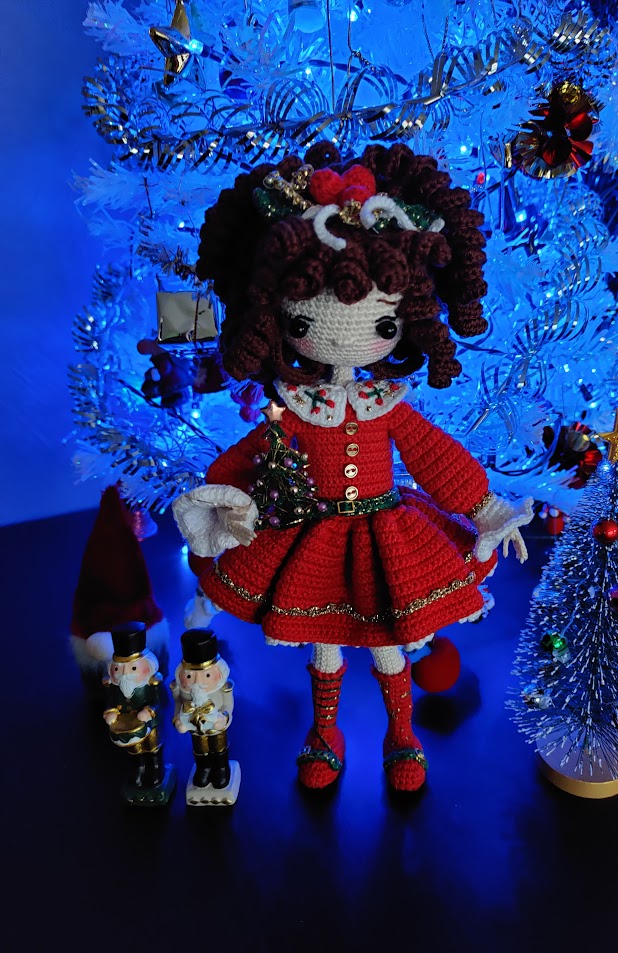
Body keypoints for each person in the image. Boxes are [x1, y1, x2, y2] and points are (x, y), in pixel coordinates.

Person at [173, 142, 533, 793]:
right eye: (308, 319)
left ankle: (402, 735)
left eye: (383, 322)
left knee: (388, 643)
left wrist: (484, 507)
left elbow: (432, 456)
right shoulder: (294, 407)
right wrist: (221, 497)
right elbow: (253, 456)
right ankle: (324, 733)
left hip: (382, 533)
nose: (348, 338)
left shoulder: (384, 404)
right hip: (310, 536)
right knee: (326, 644)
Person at [102, 622, 171, 798]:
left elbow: (158, 701)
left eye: (133, 668)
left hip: (148, 723)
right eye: (118, 669)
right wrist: (111, 712)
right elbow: (111, 701)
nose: (125, 674)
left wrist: (150, 711)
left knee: (151, 748)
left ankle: (155, 770)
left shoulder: (150, 684)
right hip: (127, 724)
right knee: (134, 750)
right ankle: (138, 770)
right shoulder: (114, 686)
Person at [171, 628, 234, 790]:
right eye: (189, 676)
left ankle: (221, 768)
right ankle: (203, 768)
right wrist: (177, 719)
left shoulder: (223, 687)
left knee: (218, 747)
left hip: (216, 725)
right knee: (200, 749)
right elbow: (178, 703)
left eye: (206, 675)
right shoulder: (180, 689)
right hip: (194, 726)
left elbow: (228, 704)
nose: (197, 682)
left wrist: (224, 717)